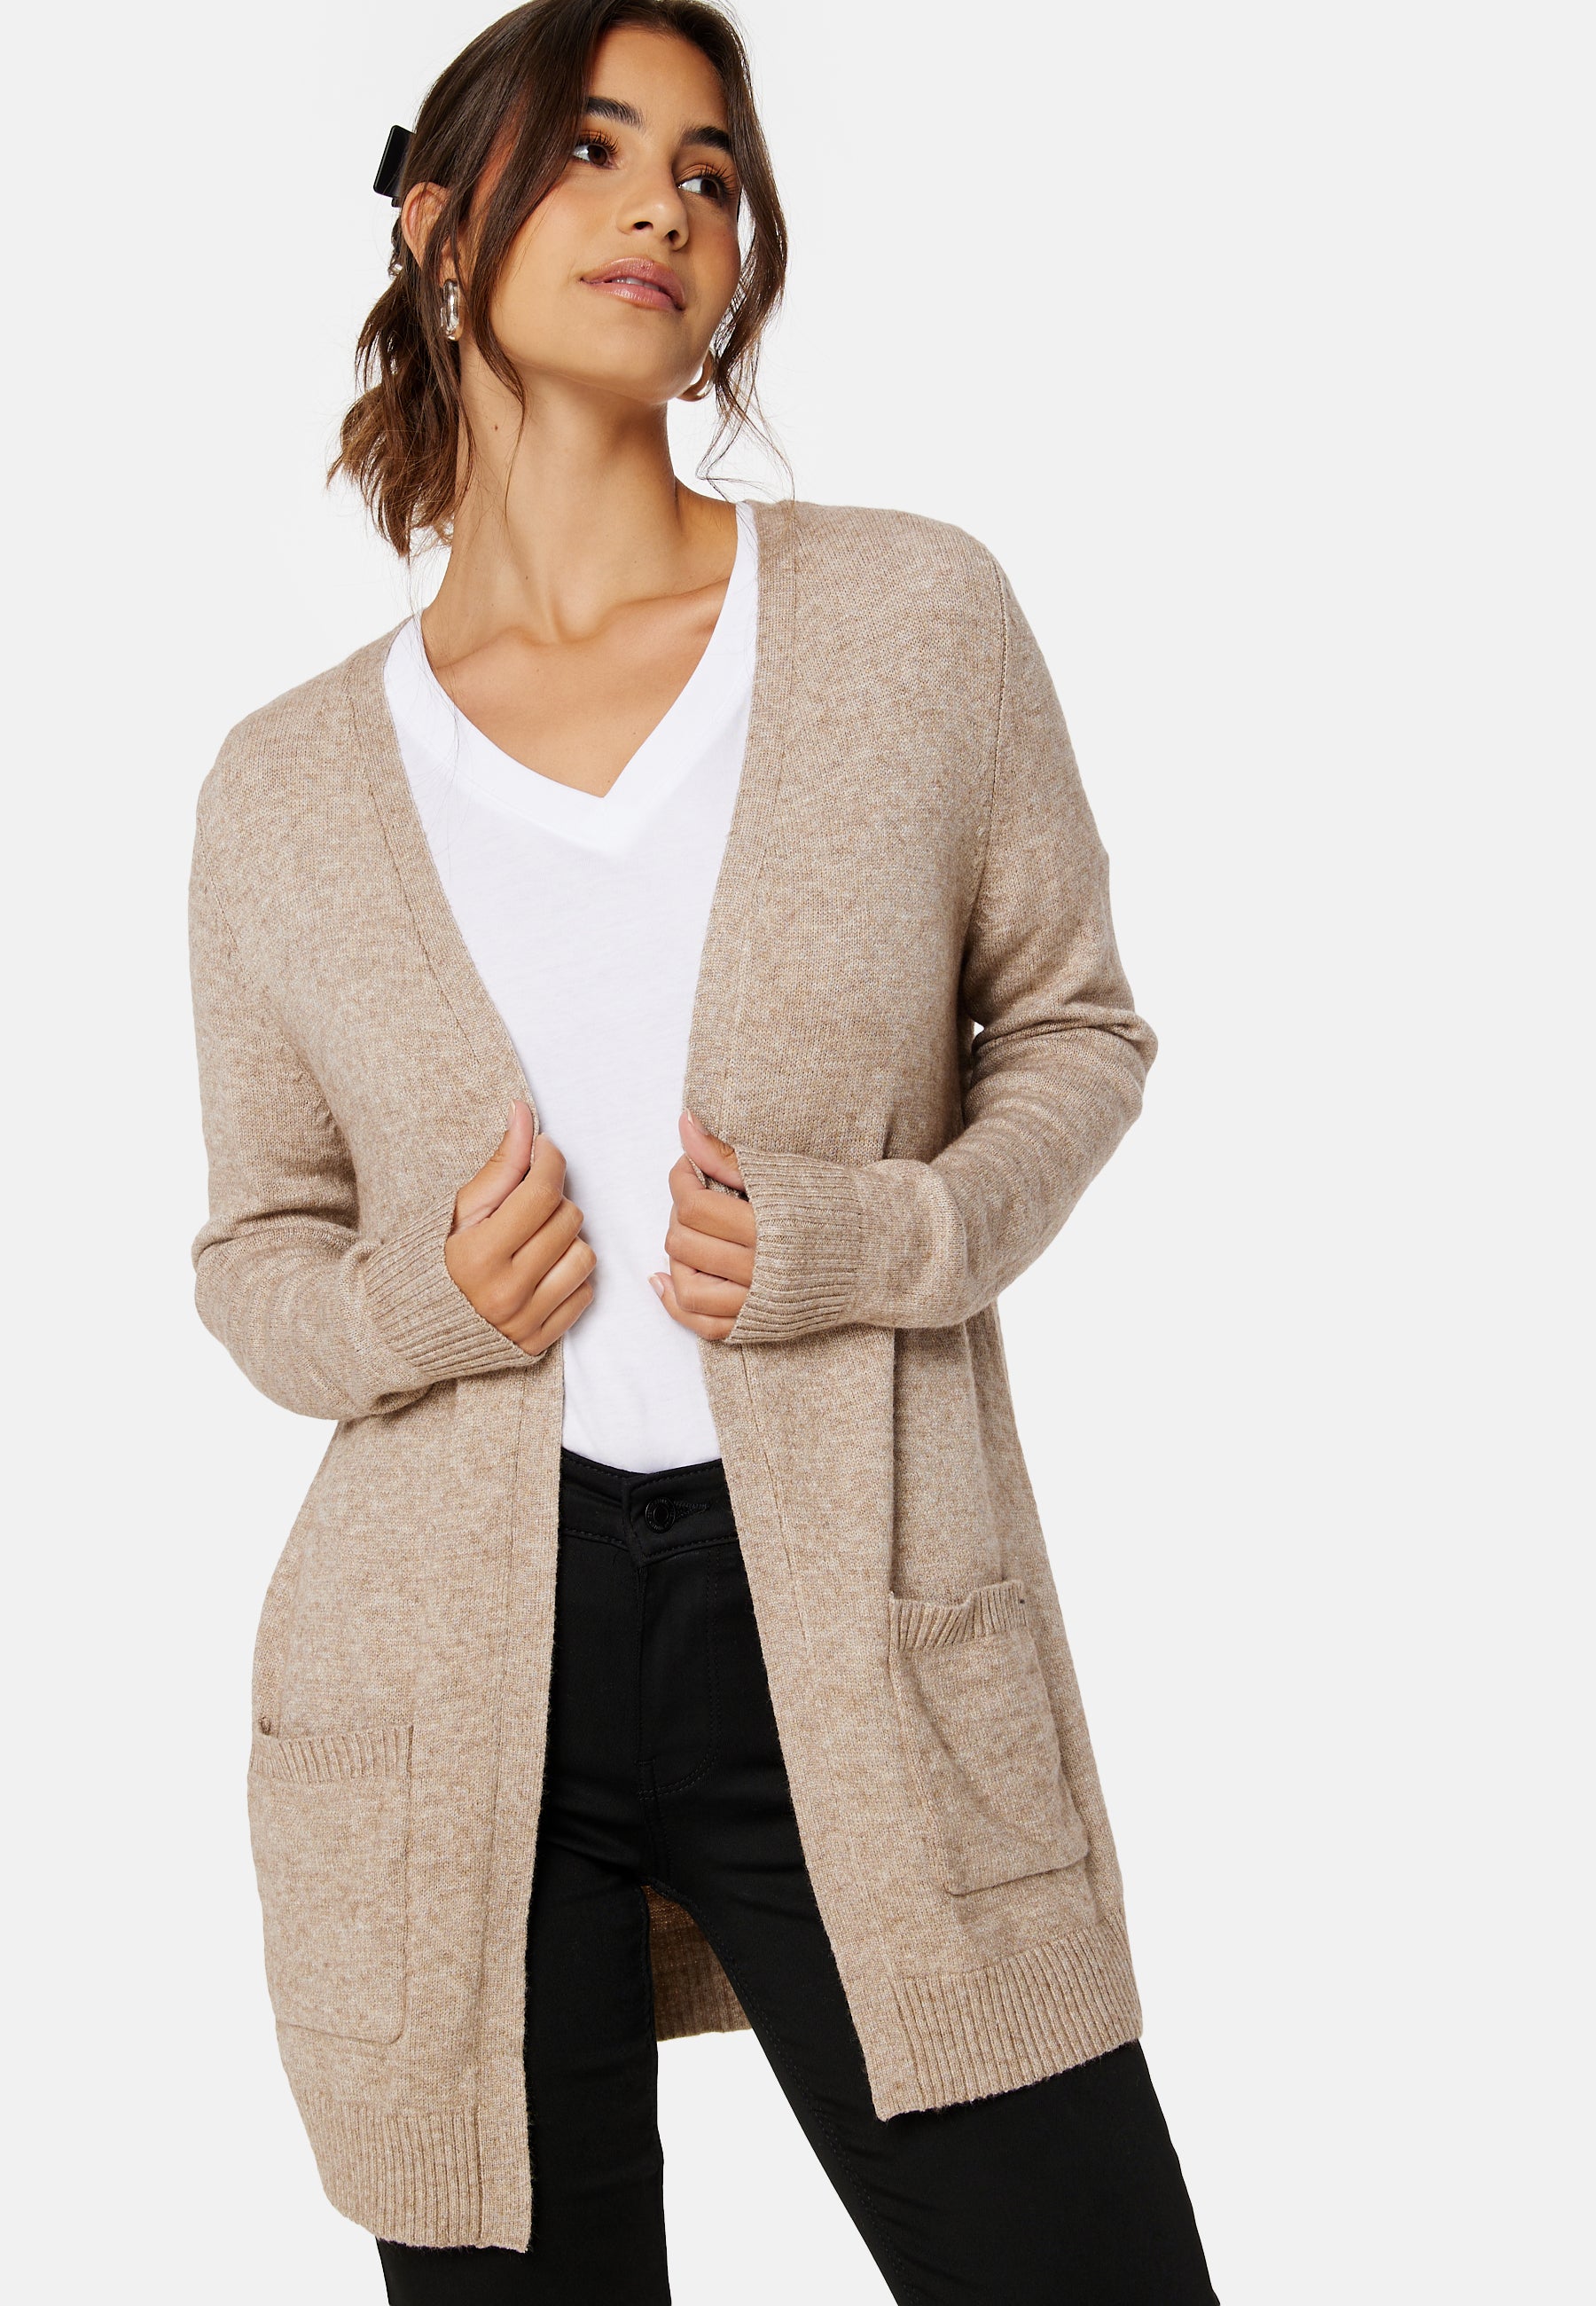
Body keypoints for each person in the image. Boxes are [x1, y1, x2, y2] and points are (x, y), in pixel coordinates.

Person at [187, 2, 1219, 2297]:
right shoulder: (282, 790)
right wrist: (426, 1304)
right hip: (448, 1676)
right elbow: (253, 1250)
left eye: (712, 171)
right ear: (438, 221)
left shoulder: (911, 619)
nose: (665, 203)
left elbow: (1074, 1026)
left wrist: (890, 1234)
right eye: (593, 149)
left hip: (850, 1608)